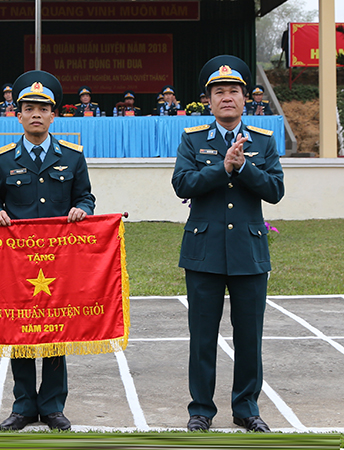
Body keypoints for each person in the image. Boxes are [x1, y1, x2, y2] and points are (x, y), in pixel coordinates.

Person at [172, 55, 284, 433]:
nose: (226, 98)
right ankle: (201, 409)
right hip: (203, 252)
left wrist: (245, 166)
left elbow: (276, 191)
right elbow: (183, 185)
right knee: (203, 336)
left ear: (245, 99)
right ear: (209, 100)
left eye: (233, 91)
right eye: (219, 92)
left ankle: (246, 408)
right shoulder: (192, 140)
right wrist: (222, 168)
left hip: (248, 253)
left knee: (249, 336)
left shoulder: (264, 142)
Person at [0, 70, 95, 432]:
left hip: (60, 261)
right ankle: (24, 404)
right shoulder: (3, 159)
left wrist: (84, 210)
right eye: (29, 108)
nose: (36, 115)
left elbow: (85, 196)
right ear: (18, 114)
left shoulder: (73, 157)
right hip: (18, 263)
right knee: (22, 331)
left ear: (53, 114)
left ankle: (54, 405)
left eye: (43, 109)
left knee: (57, 329)